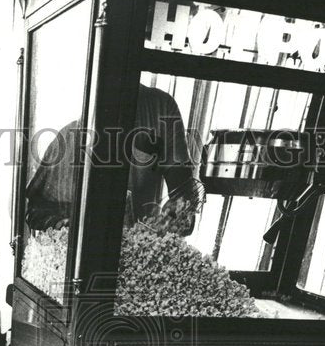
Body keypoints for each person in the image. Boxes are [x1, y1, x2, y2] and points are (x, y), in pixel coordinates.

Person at [26, 84, 202, 234]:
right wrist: (66, 226)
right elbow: (34, 211)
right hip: (81, 259)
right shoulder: (66, 140)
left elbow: (183, 198)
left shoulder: (159, 107)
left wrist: (169, 221)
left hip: (140, 254)